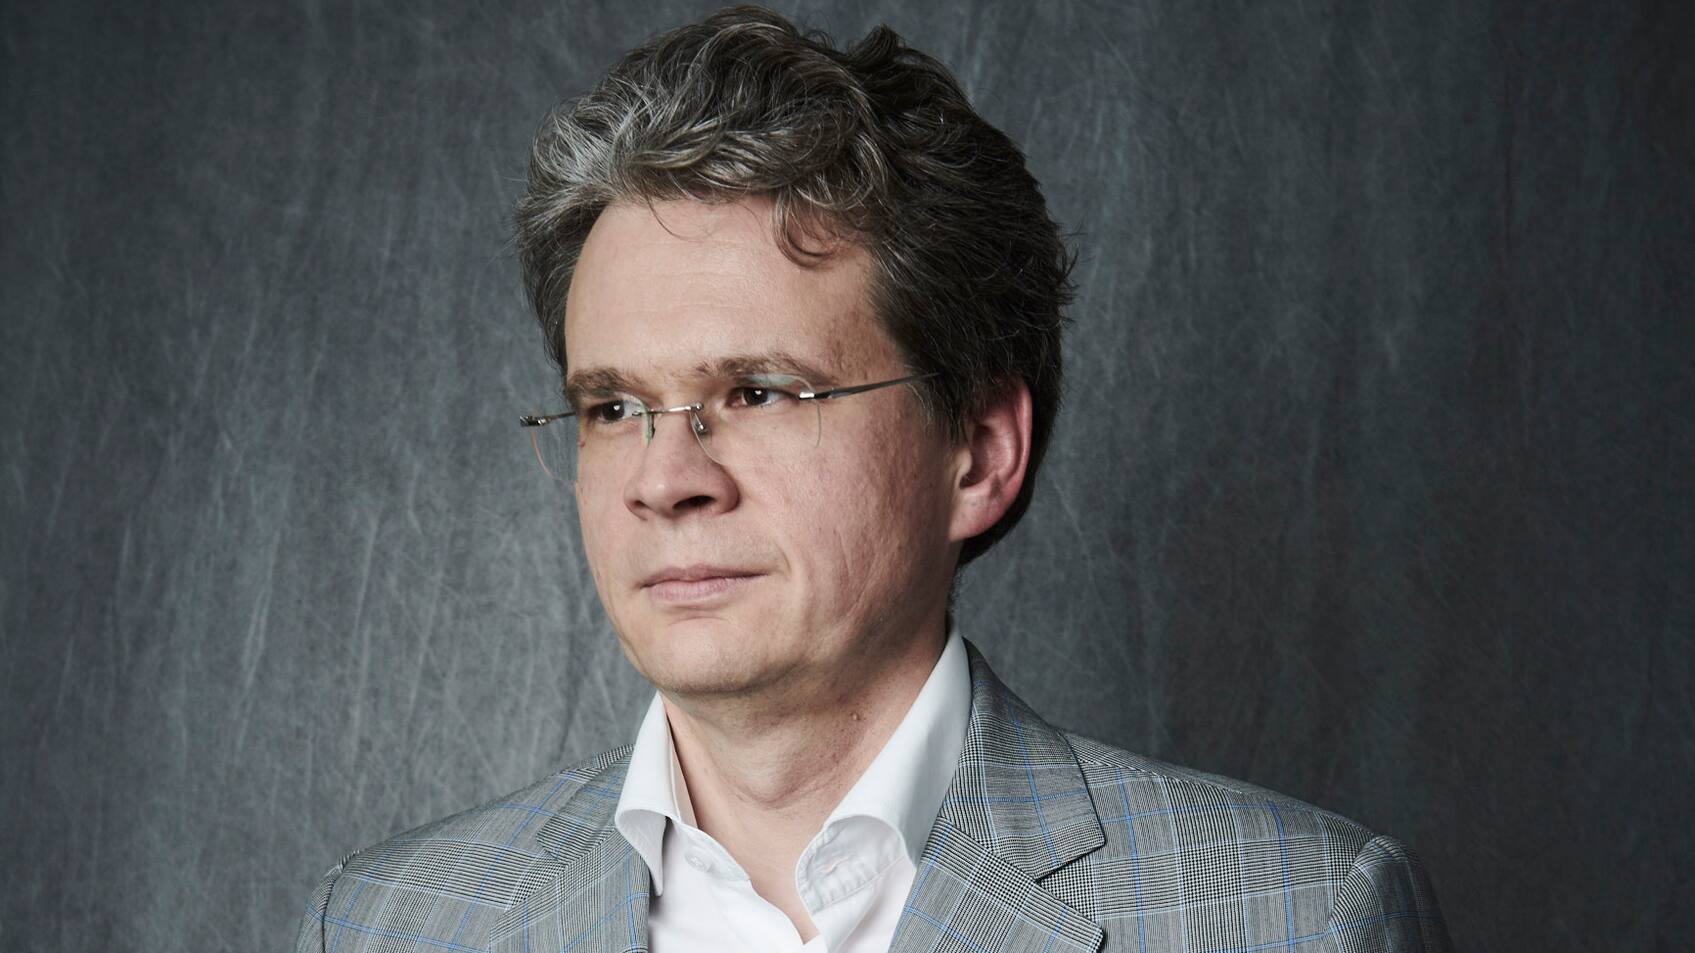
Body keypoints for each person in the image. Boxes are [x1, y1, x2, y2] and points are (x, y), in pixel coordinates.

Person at [293, 6, 1450, 951]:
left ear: (978, 452)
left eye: (758, 391)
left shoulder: (1301, 918)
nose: (665, 477)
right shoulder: (386, 926)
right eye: (613, 407)